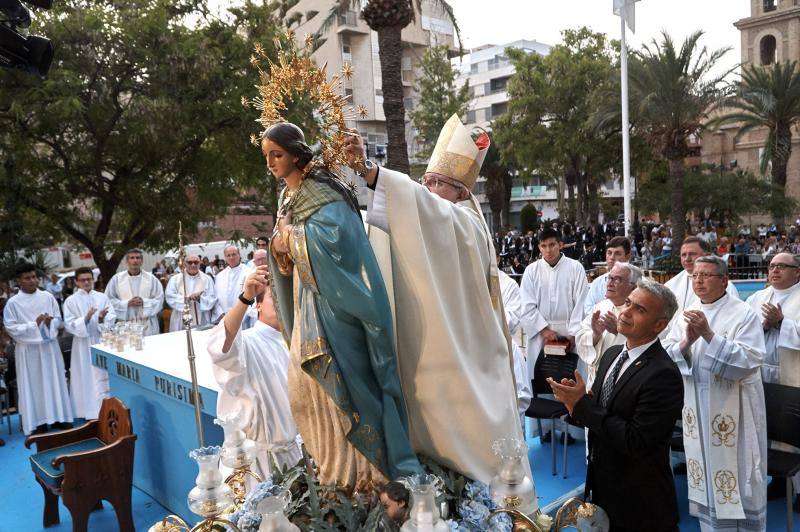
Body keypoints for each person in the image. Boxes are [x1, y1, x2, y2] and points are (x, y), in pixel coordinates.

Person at [344, 114, 527, 489]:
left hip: (469, 363)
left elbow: (428, 212)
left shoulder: (465, 223)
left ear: (462, 192)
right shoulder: (440, 214)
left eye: (438, 183)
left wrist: (370, 171)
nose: (428, 189)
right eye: (426, 181)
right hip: (442, 353)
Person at [265, 122, 421, 491]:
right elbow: (280, 253)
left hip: (337, 308)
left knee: (342, 390)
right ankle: (332, 470)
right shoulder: (289, 198)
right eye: (267, 156)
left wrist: (288, 237)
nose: (271, 162)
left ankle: (363, 474)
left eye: (277, 154)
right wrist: (280, 245)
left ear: (296, 153)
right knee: (304, 392)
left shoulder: (323, 191)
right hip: (308, 302)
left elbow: (340, 244)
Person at [549, 279, 683, 532]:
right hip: (603, 486)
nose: (626, 312)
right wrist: (573, 403)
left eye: (639, 310)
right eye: (628, 303)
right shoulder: (612, 355)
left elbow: (635, 441)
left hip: (640, 501)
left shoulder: (663, 374)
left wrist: (583, 406)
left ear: (660, 325)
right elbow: (600, 414)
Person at [663, 256, 767, 531]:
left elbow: (750, 359)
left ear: (723, 280)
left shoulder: (743, 313)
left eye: (706, 275)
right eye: (695, 275)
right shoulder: (687, 310)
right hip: (696, 403)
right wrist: (688, 340)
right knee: (706, 473)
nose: (698, 280)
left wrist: (709, 335)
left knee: (739, 470)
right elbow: (669, 351)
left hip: (736, 406)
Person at [207, 266, 301, 479]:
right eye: (273, 297)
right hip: (255, 464)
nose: (281, 301)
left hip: (293, 455)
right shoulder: (247, 342)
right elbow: (221, 347)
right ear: (257, 305)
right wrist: (245, 297)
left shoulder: (294, 344)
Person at [746, 252, 800, 506]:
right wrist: (764, 326)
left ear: (797, 272)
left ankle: (799, 490)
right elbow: (744, 331)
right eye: (772, 266)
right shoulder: (758, 297)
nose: (775, 271)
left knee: (794, 432)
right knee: (767, 428)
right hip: (763, 371)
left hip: (794, 373)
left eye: (782, 266)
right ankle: (778, 482)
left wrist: (782, 324)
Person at [3, 263, 73, 434]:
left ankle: (59, 417)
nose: (33, 280)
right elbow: (11, 328)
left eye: (34, 277)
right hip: (29, 349)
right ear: (18, 280)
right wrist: (34, 325)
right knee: (34, 385)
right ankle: (38, 421)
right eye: (28, 278)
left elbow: (59, 320)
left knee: (55, 380)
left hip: (49, 346)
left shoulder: (47, 297)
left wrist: (50, 323)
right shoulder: (13, 303)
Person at [520, 227, 588, 376]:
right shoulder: (531, 271)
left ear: (560, 245)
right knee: (541, 382)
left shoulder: (575, 268)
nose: (548, 250)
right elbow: (526, 305)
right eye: (544, 246)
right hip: (540, 335)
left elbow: (582, 303)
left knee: (570, 379)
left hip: (570, 333)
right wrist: (544, 331)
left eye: (552, 245)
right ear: (539, 247)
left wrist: (574, 335)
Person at [576, 262, 641, 388]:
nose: (610, 283)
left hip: (623, 381)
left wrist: (620, 331)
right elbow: (581, 335)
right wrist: (595, 335)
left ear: (633, 287)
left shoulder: (640, 312)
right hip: (595, 379)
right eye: (610, 278)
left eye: (617, 279)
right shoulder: (602, 306)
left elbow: (646, 345)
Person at [62, 267, 111, 420]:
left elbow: (112, 316)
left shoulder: (102, 297)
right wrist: (86, 318)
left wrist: (102, 319)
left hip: (100, 340)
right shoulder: (71, 301)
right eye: (82, 280)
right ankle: (87, 411)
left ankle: (106, 407)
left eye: (89, 279)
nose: (86, 282)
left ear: (93, 279)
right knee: (85, 374)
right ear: (76, 282)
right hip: (82, 344)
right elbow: (69, 324)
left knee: (103, 374)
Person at [664, 237, 739, 331]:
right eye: (683, 255)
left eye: (692, 254)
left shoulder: (721, 285)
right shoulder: (670, 285)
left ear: (707, 255)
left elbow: (732, 318)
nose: (687, 259)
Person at [106, 249, 164, 336]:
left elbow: (159, 299)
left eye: (138, 258)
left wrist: (144, 302)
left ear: (142, 261)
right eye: (132, 258)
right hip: (126, 323)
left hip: (147, 323)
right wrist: (126, 304)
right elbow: (108, 300)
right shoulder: (117, 279)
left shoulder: (151, 279)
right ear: (127, 261)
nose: (135, 260)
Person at [165, 254, 218, 332]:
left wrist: (200, 299)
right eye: (190, 262)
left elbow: (212, 298)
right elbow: (169, 296)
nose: (193, 265)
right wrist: (187, 299)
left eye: (196, 262)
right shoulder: (175, 279)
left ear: (200, 264)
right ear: (185, 264)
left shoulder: (207, 279)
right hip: (181, 319)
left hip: (202, 319)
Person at [583, 237, 632, 316]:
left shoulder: (637, 282)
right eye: (609, 253)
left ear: (628, 256)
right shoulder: (597, 283)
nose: (612, 257)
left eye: (617, 253)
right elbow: (588, 309)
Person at [214, 245, 253, 329]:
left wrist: (239, 317)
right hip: (224, 319)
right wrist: (221, 314)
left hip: (244, 319)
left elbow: (253, 298)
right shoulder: (220, 276)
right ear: (225, 258)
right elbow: (216, 298)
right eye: (228, 255)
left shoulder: (249, 273)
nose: (231, 257)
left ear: (239, 255)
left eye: (234, 254)